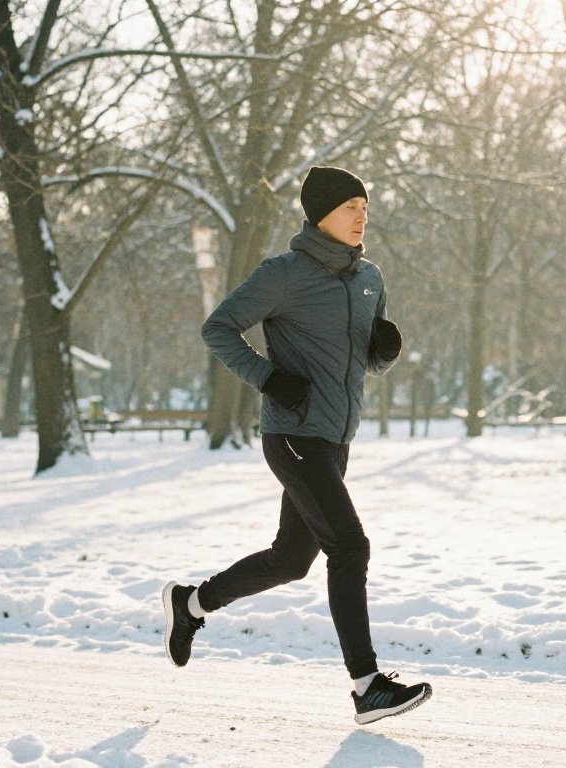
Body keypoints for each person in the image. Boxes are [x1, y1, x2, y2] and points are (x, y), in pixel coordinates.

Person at [163, 166, 432, 725]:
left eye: (365, 206)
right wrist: (267, 378)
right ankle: (366, 686)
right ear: (320, 216)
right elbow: (219, 328)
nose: (362, 216)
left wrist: (385, 351)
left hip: (335, 438)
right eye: (349, 207)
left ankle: (190, 604)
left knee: (291, 560)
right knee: (350, 548)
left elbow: (366, 364)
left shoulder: (369, 278)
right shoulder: (283, 274)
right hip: (293, 434)